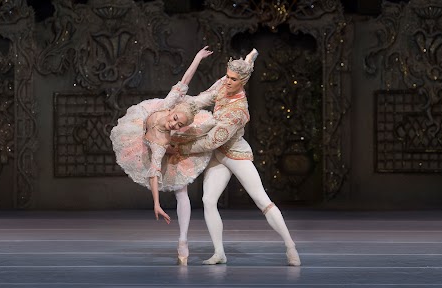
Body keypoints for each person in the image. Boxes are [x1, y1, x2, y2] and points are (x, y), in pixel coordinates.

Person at [171, 48, 301, 266]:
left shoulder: (239, 111)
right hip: (219, 155)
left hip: (236, 154)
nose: (228, 81)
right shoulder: (224, 84)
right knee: (208, 200)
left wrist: (181, 147)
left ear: (243, 81)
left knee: (262, 200)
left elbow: (211, 141)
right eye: (227, 76)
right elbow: (204, 98)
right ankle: (219, 252)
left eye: (233, 79)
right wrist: (180, 108)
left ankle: (290, 246)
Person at [110, 47, 214, 265]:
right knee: (192, 98)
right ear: (171, 111)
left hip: (164, 146)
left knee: (181, 190)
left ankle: (183, 241)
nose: (173, 123)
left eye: (178, 124)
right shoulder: (167, 106)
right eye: (175, 118)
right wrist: (197, 57)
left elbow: (154, 172)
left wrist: (156, 203)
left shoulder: (164, 140)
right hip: (143, 137)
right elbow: (184, 81)